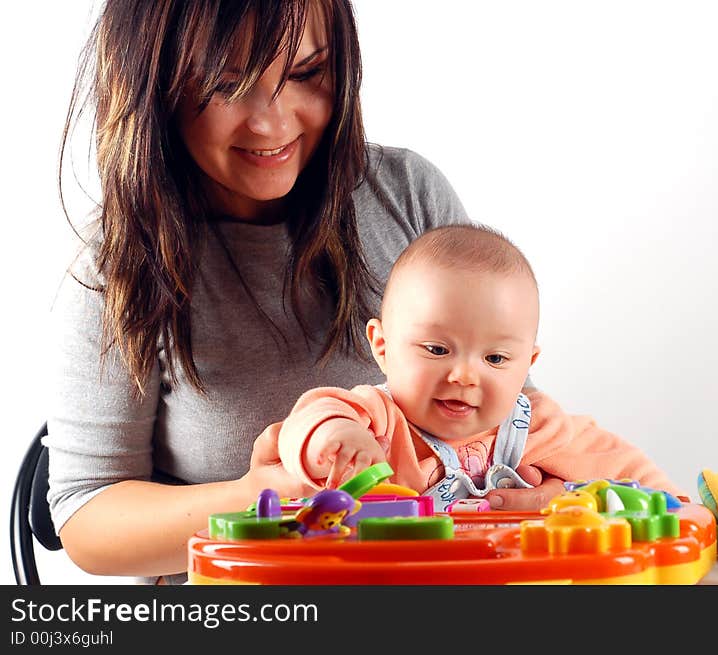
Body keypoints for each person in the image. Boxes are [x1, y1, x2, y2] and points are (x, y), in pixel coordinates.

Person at [45, 0, 560, 585]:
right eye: (226, 85)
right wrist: (256, 502)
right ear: (156, 86)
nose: (272, 124)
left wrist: (547, 492)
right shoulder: (120, 264)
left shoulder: (406, 195)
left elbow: (511, 412)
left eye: (307, 73)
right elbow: (85, 515)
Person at [277, 224, 685, 509]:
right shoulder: (379, 421)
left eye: (495, 359)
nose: (465, 376)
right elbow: (311, 417)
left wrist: (682, 512)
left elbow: (631, 474)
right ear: (382, 346)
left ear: (527, 365)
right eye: (437, 349)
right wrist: (337, 438)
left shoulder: (539, 427)